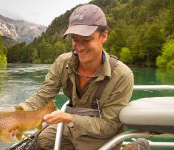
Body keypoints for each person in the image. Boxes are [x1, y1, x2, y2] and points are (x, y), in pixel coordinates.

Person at [15, 4, 134, 150]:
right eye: (75, 39)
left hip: (100, 137)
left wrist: (70, 118)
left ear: (104, 35)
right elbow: (42, 97)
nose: (79, 47)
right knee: (41, 143)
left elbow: (109, 126)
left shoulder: (122, 76)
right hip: (69, 128)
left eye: (86, 39)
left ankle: (133, 147)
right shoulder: (62, 62)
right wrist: (16, 117)